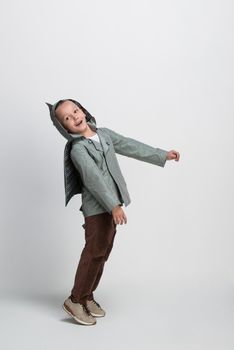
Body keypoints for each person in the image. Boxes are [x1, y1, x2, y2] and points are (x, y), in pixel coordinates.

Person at [46, 98, 180, 326]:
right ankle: (75, 299)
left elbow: (129, 145)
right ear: (64, 128)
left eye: (75, 111)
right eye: (67, 118)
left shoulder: (104, 134)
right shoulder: (78, 150)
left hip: (112, 205)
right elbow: (93, 180)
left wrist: (161, 154)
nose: (75, 117)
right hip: (98, 208)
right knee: (94, 252)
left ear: (83, 110)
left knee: (102, 252)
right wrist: (113, 206)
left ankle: (87, 296)